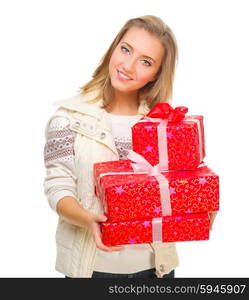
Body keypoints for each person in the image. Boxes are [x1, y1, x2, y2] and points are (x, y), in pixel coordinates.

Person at [43, 15, 217, 278]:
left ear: (156, 74)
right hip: (92, 271)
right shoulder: (67, 118)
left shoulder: (162, 127)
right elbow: (58, 186)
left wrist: (202, 204)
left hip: (156, 270)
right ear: (113, 48)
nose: (128, 66)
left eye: (145, 61)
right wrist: (87, 219)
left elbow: (182, 181)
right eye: (125, 49)